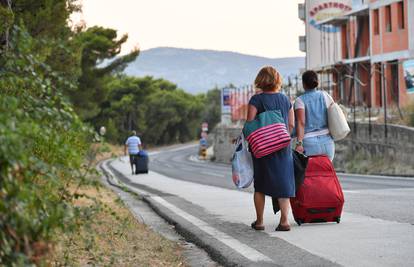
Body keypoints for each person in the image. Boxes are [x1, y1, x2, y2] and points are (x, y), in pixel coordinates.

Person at [246, 66, 295, 232]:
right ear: (277, 80)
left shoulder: (256, 100)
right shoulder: (285, 100)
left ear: (260, 80)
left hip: (262, 147)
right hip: (283, 146)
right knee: (283, 183)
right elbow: (292, 124)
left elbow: (250, 123)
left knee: (260, 184)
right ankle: (284, 221)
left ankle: (259, 222)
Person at [294, 70, 335, 161]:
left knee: (311, 174)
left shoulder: (299, 101)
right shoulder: (325, 96)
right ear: (317, 82)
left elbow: (301, 122)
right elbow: (334, 115)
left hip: (309, 144)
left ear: (303, 84)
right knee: (326, 173)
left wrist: (299, 143)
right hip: (328, 142)